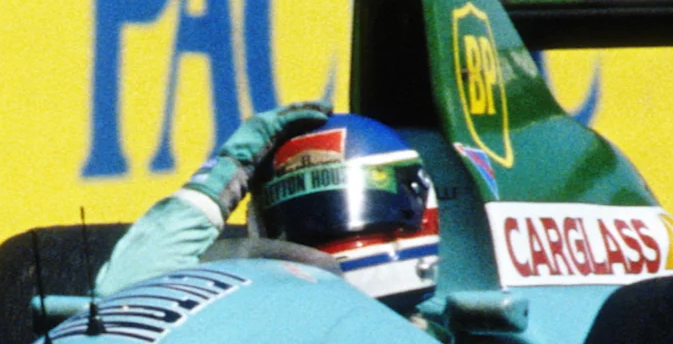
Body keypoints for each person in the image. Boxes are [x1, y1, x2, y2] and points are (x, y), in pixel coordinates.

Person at [91, 107, 446, 314]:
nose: (319, 231)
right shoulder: (260, 332)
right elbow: (122, 306)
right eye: (300, 215)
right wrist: (221, 177)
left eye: (334, 211)